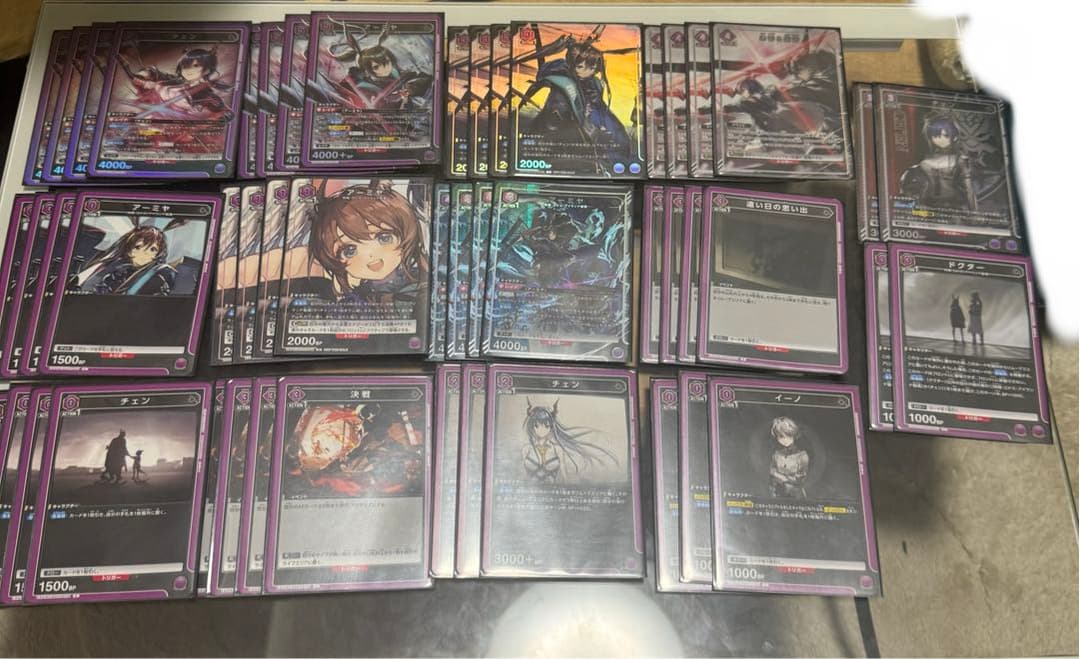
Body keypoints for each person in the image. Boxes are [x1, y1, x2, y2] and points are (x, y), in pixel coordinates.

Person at [522, 40, 632, 167]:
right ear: (572, 64)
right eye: (580, 67)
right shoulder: (564, 84)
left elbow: (601, 111)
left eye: (591, 68)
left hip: (591, 129)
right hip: (563, 136)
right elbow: (557, 118)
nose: (586, 72)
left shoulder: (594, 83)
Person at [520, 399, 616, 484]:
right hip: (530, 493)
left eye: (546, 426)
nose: (542, 430)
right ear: (532, 427)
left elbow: (564, 476)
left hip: (552, 493)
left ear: (551, 427)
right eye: (537, 426)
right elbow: (523, 475)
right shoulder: (526, 449)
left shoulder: (557, 449)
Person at [120, 48, 232, 120]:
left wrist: (222, 116)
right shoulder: (178, 81)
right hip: (155, 112)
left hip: (174, 120)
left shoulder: (204, 93)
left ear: (207, 69)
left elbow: (224, 111)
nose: (188, 70)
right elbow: (160, 75)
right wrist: (147, 74)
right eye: (185, 66)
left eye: (195, 66)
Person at [70, 225, 175, 295]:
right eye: (138, 247)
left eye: (152, 249)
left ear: (158, 254)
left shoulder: (158, 275)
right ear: (129, 251)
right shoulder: (114, 269)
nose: (145, 253)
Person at [899, 116, 977, 210]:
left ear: (955, 137)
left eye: (946, 135)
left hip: (955, 206)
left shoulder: (961, 160)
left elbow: (969, 189)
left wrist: (973, 212)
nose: (940, 139)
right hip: (927, 205)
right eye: (936, 136)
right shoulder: (925, 159)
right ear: (930, 137)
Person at [768, 416, 809, 498]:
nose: (785, 440)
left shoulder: (802, 455)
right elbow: (772, 472)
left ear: (794, 435)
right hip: (777, 494)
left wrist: (781, 477)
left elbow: (800, 479)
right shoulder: (776, 454)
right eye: (780, 437)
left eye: (788, 436)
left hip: (796, 496)